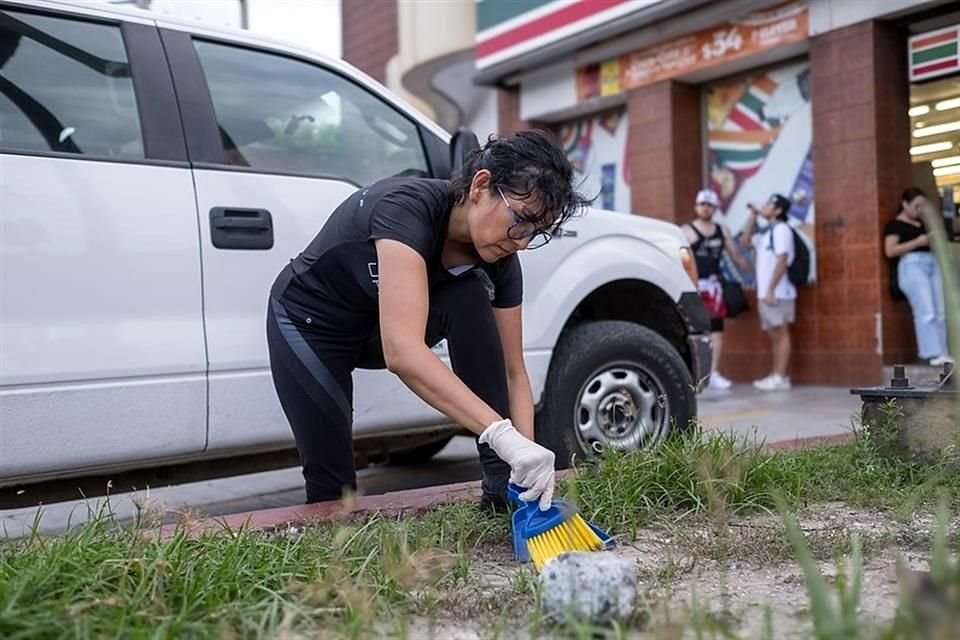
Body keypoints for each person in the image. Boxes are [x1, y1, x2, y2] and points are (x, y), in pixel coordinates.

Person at [265, 130, 590, 512]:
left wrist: (527, 456)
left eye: (537, 233)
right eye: (521, 221)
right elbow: (401, 352)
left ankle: (503, 493)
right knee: (334, 493)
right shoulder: (406, 209)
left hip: (378, 328)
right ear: (481, 186)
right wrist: (503, 435)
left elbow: (512, 370)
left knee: (468, 291)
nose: (522, 241)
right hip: (310, 326)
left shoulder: (500, 260)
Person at [681, 189, 753, 390]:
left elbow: (736, 256)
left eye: (709, 205)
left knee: (717, 331)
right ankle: (693, 373)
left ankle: (713, 373)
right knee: (691, 330)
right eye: (702, 204)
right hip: (692, 286)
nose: (705, 208)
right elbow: (680, 258)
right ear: (696, 206)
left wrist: (752, 272)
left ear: (714, 208)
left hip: (713, 288)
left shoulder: (722, 231)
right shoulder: (686, 231)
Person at [883, 187, 953, 367]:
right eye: (916, 205)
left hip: (932, 263)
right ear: (905, 204)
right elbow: (890, 251)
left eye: (923, 206)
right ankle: (932, 354)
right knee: (926, 310)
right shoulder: (894, 225)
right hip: (912, 265)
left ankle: (944, 352)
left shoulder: (922, 224)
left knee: (940, 310)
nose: (919, 210)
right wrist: (917, 242)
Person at [740, 194, 796, 391]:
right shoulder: (766, 233)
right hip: (767, 293)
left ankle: (780, 377)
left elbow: (782, 260)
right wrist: (753, 215)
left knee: (781, 334)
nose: (764, 206)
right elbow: (745, 241)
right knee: (775, 336)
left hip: (778, 293)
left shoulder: (781, 230)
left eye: (768, 204)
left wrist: (771, 289)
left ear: (778, 210)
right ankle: (777, 375)